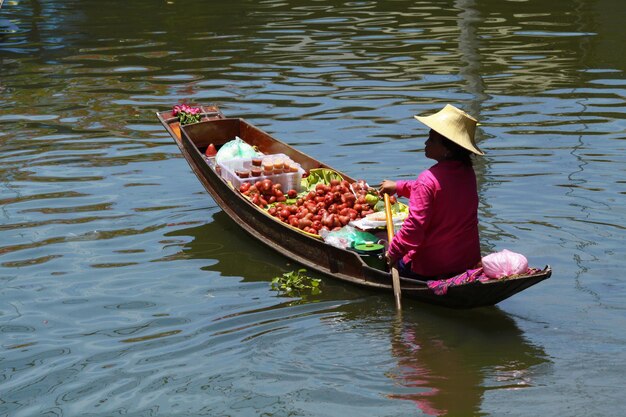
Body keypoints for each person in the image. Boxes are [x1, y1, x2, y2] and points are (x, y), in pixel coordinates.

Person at [378, 104, 484, 279]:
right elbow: (435, 192)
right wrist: (398, 186)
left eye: (432, 139)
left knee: (379, 245)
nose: (426, 143)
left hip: (431, 267)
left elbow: (414, 229)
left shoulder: (427, 179)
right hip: (465, 262)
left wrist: (393, 252)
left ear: (447, 149)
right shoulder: (467, 173)